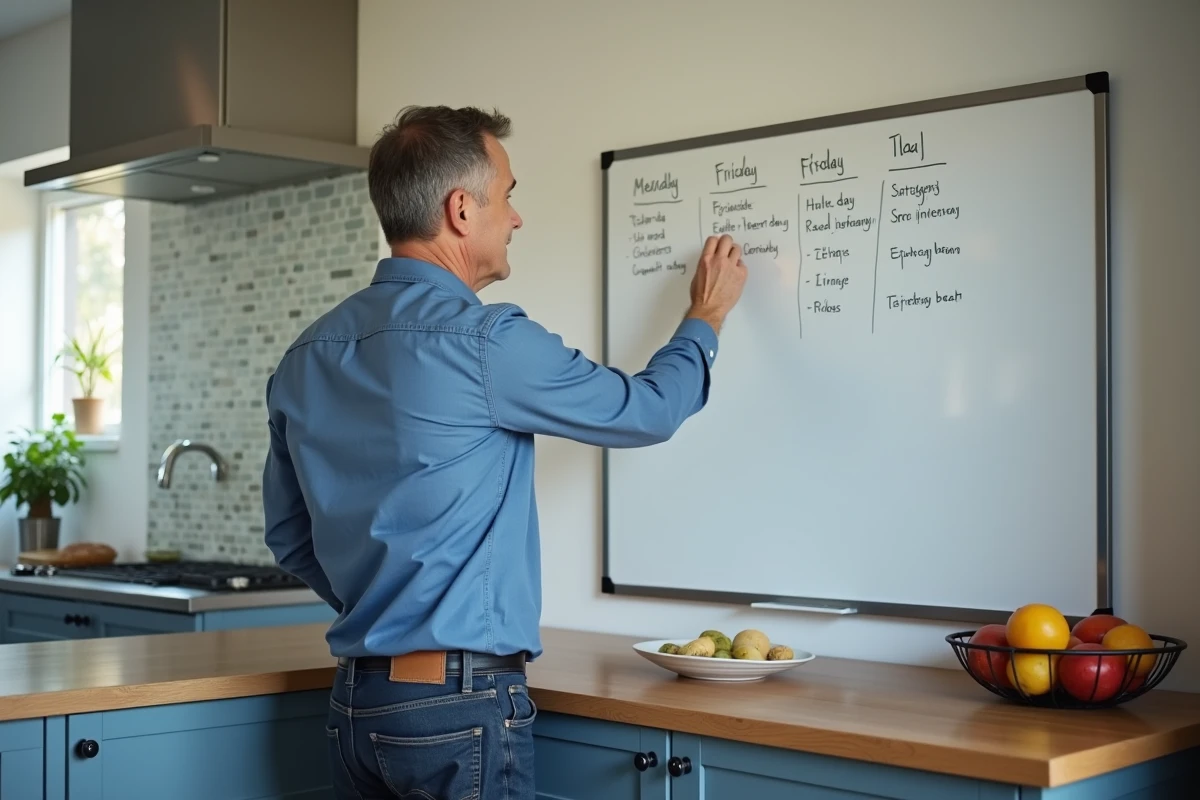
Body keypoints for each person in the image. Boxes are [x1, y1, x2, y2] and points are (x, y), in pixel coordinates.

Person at [261, 105, 746, 800]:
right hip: (459, 707)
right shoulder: (486, 342)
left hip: (354, 708)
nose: (515, 217)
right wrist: (706, 318)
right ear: (462, 209)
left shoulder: (305, 356)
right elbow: (647, 412)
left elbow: (288, 537)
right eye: (508, 194)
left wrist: (390, 604)